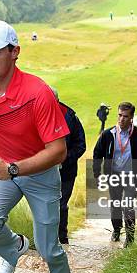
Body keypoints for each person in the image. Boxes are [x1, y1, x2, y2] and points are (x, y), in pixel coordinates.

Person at [0, 20, 73, 273]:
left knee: (49, 249)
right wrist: (2, 158)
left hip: (39, 174)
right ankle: (15, 249)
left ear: (15, 52)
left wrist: (11, 168)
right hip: (2, 167)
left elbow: (59, 151)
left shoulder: (38, 94)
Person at [92, 102, 137, 247]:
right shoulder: (108, 134)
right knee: (116, 205)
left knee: (128, 205)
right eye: (119, 115)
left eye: (125, 116)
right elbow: (97, 154)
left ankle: (130, 237)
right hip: (114, 176)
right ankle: (116, 229)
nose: (121, 119)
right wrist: (97, 174)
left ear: (131, 117)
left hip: (133, 176)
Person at [50, 87, 86, 244]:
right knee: (45, 205)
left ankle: (62, 239)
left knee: (61, 204)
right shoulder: (36, 114)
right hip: (43, 170)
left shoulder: (70, 117)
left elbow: (81, 144)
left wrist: (64, 158)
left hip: (66, 171)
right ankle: (47, 239)